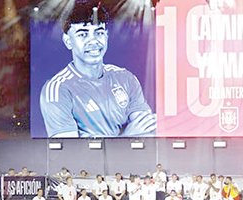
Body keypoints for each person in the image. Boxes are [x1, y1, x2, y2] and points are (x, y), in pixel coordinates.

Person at [38, 1, 155, 138]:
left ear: (106, 36)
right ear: (68, 41)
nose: (93, 41)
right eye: (83, 34)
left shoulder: (125, 78)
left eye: (99, 32)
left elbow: (146, 130)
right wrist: (126, 137)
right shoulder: (58, 89)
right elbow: (68, 149)